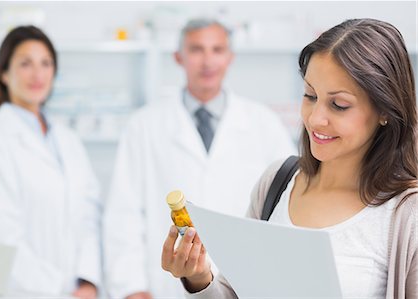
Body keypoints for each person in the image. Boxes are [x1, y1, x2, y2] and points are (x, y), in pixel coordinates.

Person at [162, 18, 418, 298]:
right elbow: (236, 292)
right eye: (310, 96)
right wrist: (199, 279)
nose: (316, 118)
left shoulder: (406, 213)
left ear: (385, 111)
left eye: (339, 105)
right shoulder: (278, 181)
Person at [103, 18, 296, 299]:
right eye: (196, 49)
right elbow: (124, 214)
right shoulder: (144, 126)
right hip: (164, 286)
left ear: (230, 57)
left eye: (217, 50)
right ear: (178, 57)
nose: (208, 61)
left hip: (243, 285)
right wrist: (131, 288)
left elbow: (286, 213)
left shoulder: (264, 124)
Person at [0, 26, 102, 298]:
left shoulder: (68, 141)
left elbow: (89, 215)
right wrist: (57, 290)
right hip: (25, 292)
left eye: (46, 63)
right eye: (25, 64)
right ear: (4, 73)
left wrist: (87, 280)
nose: (38, 74)